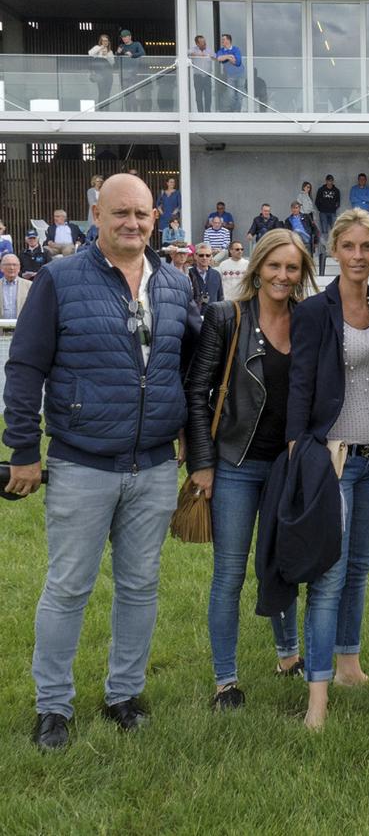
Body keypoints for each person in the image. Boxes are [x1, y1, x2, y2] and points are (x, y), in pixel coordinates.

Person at [3, 173, 199, 751]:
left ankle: (123, 695)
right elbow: (25, 369)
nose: (132, 223)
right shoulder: (60, 281)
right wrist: (21, 450)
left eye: (142, 213)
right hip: (81, 462)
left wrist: (192, 438)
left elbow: (189, 370)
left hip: (155, 466)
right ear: (97, 215)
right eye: (120, 213)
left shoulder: (173, 283)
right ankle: (53, 708)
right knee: (68, 587)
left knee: (140, 587)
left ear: (155, 219)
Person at [187, 231, 319, 714]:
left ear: (302, 272)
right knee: (230, 575)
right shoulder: (227, 317)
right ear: (257, 267)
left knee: (281, 565)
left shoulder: (308, 320)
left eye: (292, 268)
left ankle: (289, 657)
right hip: (237, 464)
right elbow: (198, 390)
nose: (283, 276)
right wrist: (203, 462)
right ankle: (226, 681)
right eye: (274, 266)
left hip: (288, 466)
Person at [289, 209, 369, 690]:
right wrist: (298, 453)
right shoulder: (313, 311)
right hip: (335, 457)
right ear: (334, 251)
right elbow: (299, 386)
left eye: (366, 247)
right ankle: (319, 675)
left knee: (360, 566)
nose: (358, 255)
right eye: (348, 247)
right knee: (330, 572)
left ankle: (349, 661)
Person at [189, 243, 224, 315]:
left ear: (211, 256)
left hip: (212, 317)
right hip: (194, 317)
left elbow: (220, 297)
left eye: (207, 255)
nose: (204, 258)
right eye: (201, 255)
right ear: (195, 256)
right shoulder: (189, 274)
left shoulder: (216, 274)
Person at [115, 29, 146, 110]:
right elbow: (116, 60)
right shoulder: (121, 46)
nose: (124, 38)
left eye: (125, 37)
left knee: (132, 92)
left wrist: (132, 55)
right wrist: (118, 53)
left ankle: (134, 112)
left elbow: (143, 53)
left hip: (133, 73)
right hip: (123, 73)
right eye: (122, 37)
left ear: (130, 36)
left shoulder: (136, 44)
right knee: (125, 94)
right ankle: (128, 111)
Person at [215, 33, 244, 111]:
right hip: (230, 75)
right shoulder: (221, 50)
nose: (222, 41)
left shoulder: (236, 49)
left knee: (239, 96)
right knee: (231, 95)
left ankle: (237, 114)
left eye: (223, 40)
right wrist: (229, 57)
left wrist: (226, 58)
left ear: (228, 40)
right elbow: (218, 58)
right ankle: (232, 111)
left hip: (240, 75)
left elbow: (237, 62)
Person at [87, 34, 115, 109]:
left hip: (108, 74)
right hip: (100, 74)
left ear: (108, 42)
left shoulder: (110, 51)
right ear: (101, 41)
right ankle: (101, 109)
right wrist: (100, 49)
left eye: (106, 41)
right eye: (103, 41)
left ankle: (107, 109)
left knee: (107, 92)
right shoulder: (97, 47)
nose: (105, 42)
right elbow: (90, 53)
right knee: (101, 91)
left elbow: (112, 62)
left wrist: (107, 56)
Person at [1, 253, 32, 318]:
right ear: (1, 268)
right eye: (8, 265)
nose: (11, 268)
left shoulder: (30, 286)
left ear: (19, 268)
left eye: (14, 265)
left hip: (22, 327)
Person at [188, 34, 213, 113]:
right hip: (197, 77)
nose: (204, 43)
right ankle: (200, 114)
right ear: (197, 43)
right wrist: (199, 55)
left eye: (204, 41)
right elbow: (187, 53)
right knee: (198, 96)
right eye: (202, 42)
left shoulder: (209, 50)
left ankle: (207, 113)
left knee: (208, 96)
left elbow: (216, 57)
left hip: (207, 77)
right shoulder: (193, 50)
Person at [315, 174, 342, 239]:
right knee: (324, 230)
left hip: (332, 212)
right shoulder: (321, 189)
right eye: (328, 181)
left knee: (334, 230)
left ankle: (333, 246)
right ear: (326, 181)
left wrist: (334, 208)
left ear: (333, 181)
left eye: (331, 181)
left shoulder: (336, 190)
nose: (330, 182)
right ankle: (325, 247)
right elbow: (317, 201)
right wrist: (320, 209)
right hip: (323, 213)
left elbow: (338, 202)